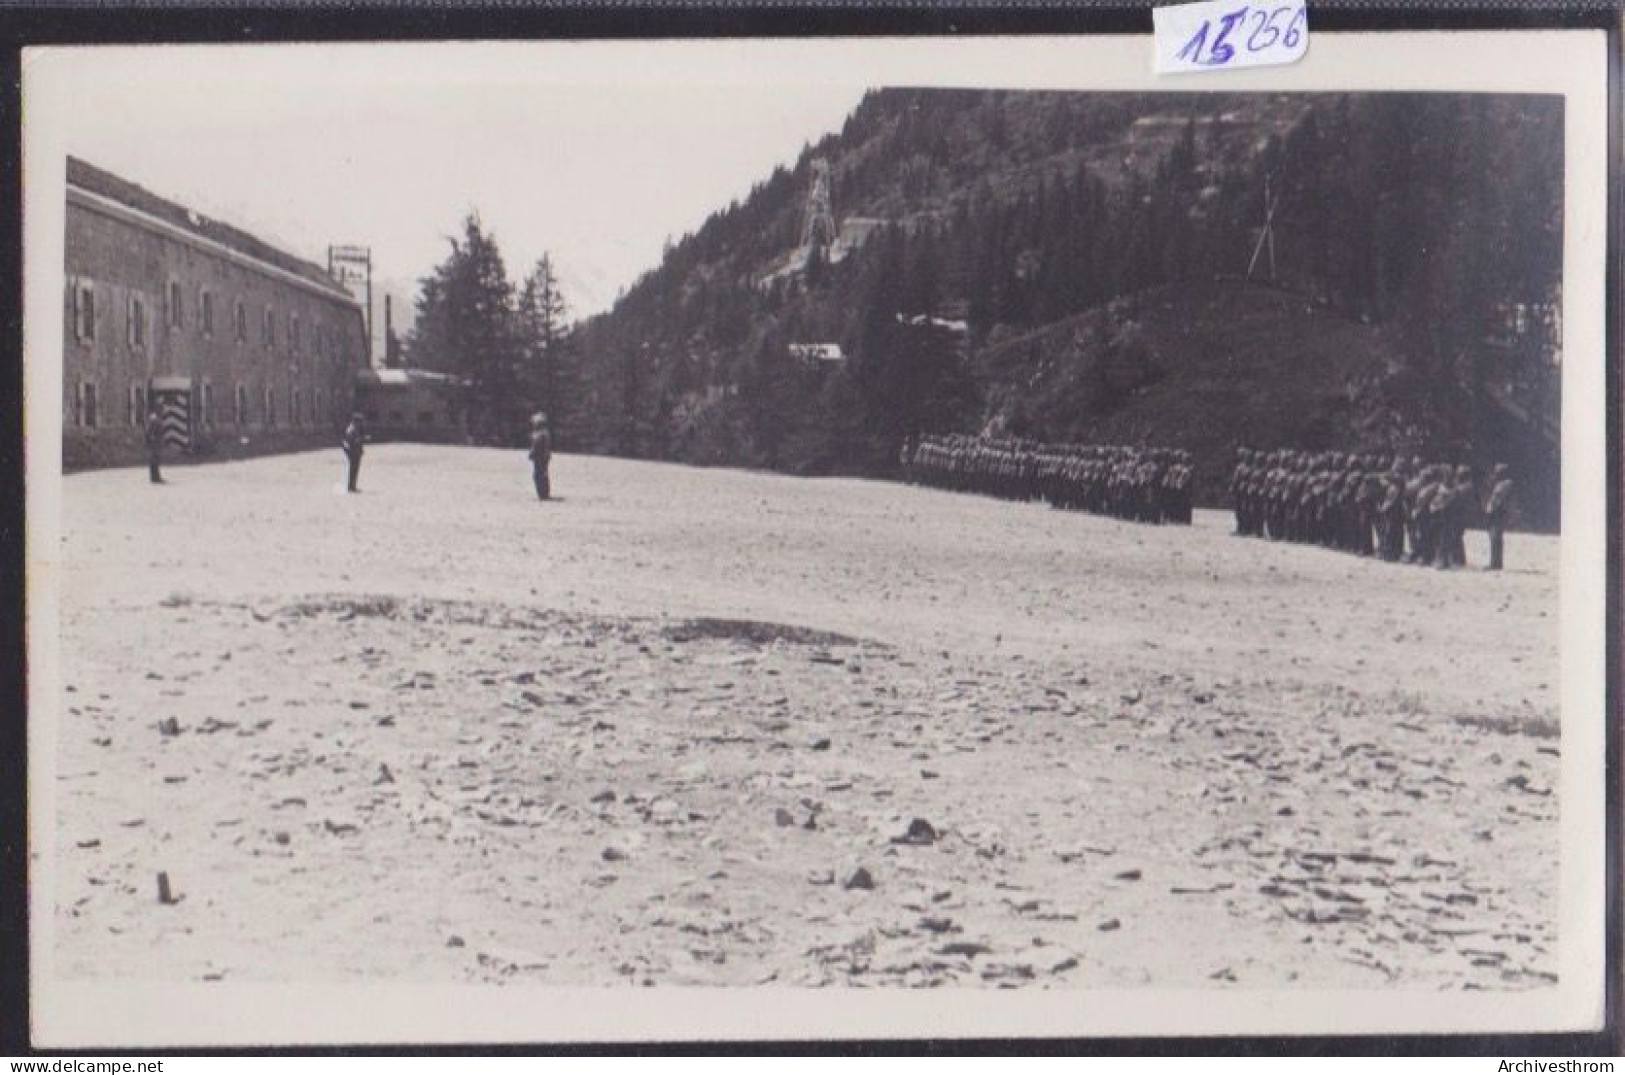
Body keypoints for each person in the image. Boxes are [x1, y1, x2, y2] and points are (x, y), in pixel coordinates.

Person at [1483, 463, 1515, 571]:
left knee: (1495, 538)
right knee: (1494, 538)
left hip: (1498, 514)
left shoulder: (1506, 484)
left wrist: (1491, 511)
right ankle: (1496, 562)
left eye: (1498, 472)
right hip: (1496, 513)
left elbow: (1498, 500)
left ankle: (1495, 563)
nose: (1496, 474)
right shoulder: (1500, 484)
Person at [528, 411, 553, 501]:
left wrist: (532, 453)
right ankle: (544, 494)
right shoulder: (544, 432)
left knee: (538, 475)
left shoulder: (540, 434)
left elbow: (536, 446)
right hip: (543, 457)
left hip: (540, 457)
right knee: (542, 474)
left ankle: (543, 495)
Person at [342, 413, 365, 493]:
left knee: (355, 469)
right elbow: (348, 441)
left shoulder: (354, 428)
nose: (361, 423)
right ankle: (351, 487)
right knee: (353, 470)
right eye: (360, 421)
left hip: (356, 452)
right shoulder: (351, 429)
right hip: (353, 452)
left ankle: (353, 486)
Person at [143, 407, 164, 484]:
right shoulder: (154, 420)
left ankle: (156, 477)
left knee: (156, 460)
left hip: (155, 443)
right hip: (154, 443)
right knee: (154, 460)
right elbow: (149, 432)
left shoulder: (155, 419)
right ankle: (155, 478)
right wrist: (151, 439)